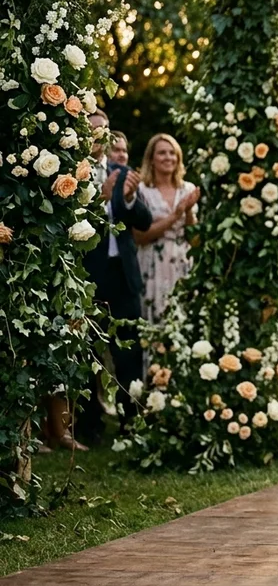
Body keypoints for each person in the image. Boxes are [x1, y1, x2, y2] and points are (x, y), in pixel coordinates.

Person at [81, 122, 154, 432]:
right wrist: (101, 198)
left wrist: (126, 199)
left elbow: (146, 221)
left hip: (124, 276)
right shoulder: (74, 172)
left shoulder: (122, 171)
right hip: (90, 275)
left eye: (105, 129)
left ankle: (131, 419)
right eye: (94, 129)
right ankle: (90, 424)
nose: (101, 134)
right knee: (88, 354)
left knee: (129, 352)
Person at [134, 133, 200, 327]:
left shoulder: (187, 189)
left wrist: (187, 212)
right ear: (151, 159)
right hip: (152, 263)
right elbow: (139, 236)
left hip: (182, 261)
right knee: (155, 324)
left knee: (183, 321)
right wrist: (174, 215)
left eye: (172, 153)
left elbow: (194, 239)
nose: (168, 157)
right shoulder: (142, 190)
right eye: (162, 153)